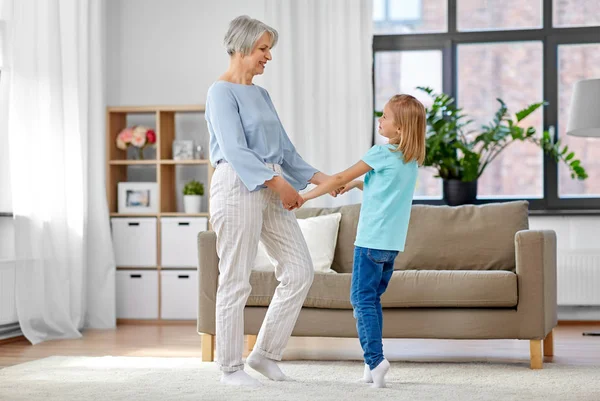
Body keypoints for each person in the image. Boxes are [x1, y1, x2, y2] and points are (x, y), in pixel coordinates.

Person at [205, 15, 334, 387]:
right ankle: (230, 368)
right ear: (242, 47)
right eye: (263, 49)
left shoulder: (261, 94)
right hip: (236, 184)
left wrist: (323, 179)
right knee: (235, 278)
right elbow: (234, 149)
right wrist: (281, 186)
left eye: (269, 50)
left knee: (299, 271)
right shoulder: (220, 91)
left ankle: (263, 354)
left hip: (271, 181)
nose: (268, 57)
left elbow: (285, 151)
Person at [301, 94, 427, 388]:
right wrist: (357, 184)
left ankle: (376, 359)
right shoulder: (410, 161)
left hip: (370, 241)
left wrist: (305, 196)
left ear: (400, 129)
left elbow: (337, 176)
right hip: (391, 246)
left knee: (361, 300)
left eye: (385, 117)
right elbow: (382, 188)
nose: (379, 120)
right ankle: (372, 365)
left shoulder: (381, 153)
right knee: (371, 301)